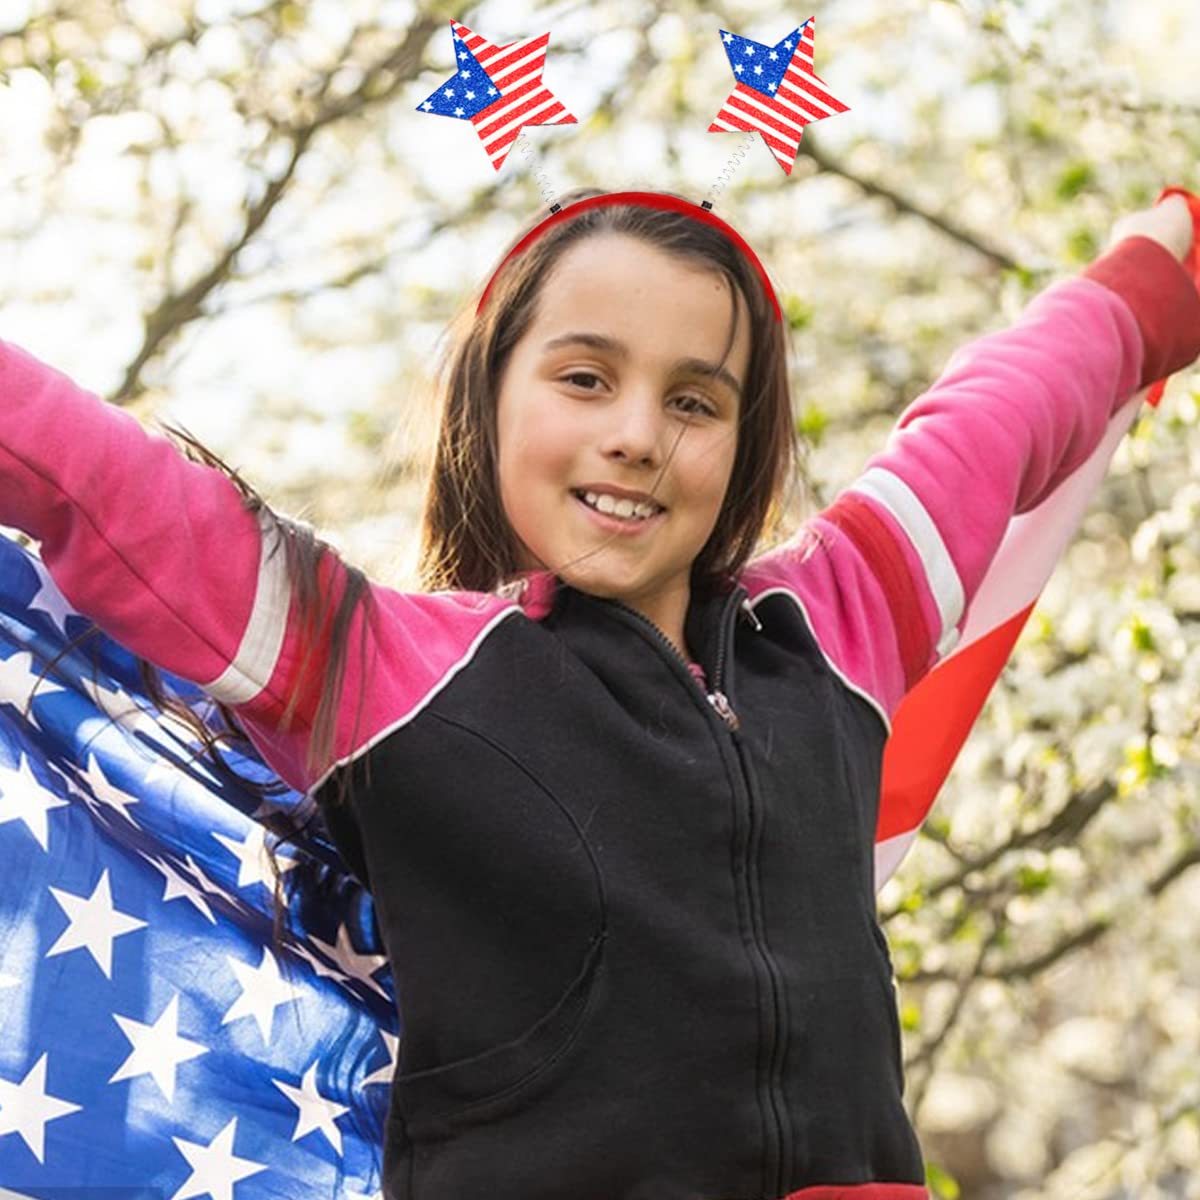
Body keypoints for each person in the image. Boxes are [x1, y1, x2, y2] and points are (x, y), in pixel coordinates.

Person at [2, 185, 1198, 1200]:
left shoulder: (837, 625)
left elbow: (1008, 409)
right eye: (584, 378)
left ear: (746, 442)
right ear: (491, 397)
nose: (637, 435)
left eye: (694, 401)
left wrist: (1154, 282)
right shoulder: (379, 666)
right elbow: (89, 477)